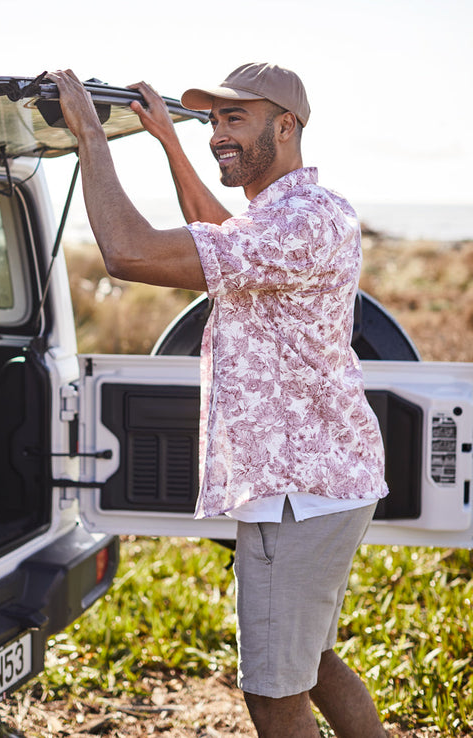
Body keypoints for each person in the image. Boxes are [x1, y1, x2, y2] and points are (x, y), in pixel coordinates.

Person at [46, 63, 389, 738]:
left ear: (286, 127)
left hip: (298, 496)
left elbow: (127, 253)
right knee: (310, 663)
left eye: (236, 119)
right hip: (326, 485)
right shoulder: (298, 214)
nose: (217, 136)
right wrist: (171, 144)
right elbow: (222, 237)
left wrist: (91, 136)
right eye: (213, 122)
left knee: (273, 693)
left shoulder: (292, 226)